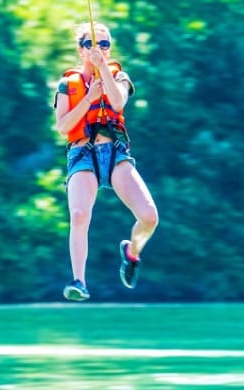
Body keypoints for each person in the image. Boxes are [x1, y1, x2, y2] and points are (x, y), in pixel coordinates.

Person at [54, 21, 158, 301]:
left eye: (103, 44)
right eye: (90, 44)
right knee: (78, 214)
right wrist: (88, 98)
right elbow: (63, 126)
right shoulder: (68, 85)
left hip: (114, 153)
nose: (96, 49)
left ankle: (132, 252)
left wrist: (105, 76)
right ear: (80, 49)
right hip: (82, 152)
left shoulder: (119, 77)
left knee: (149, 217)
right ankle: (79, 281)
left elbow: (117, 102)